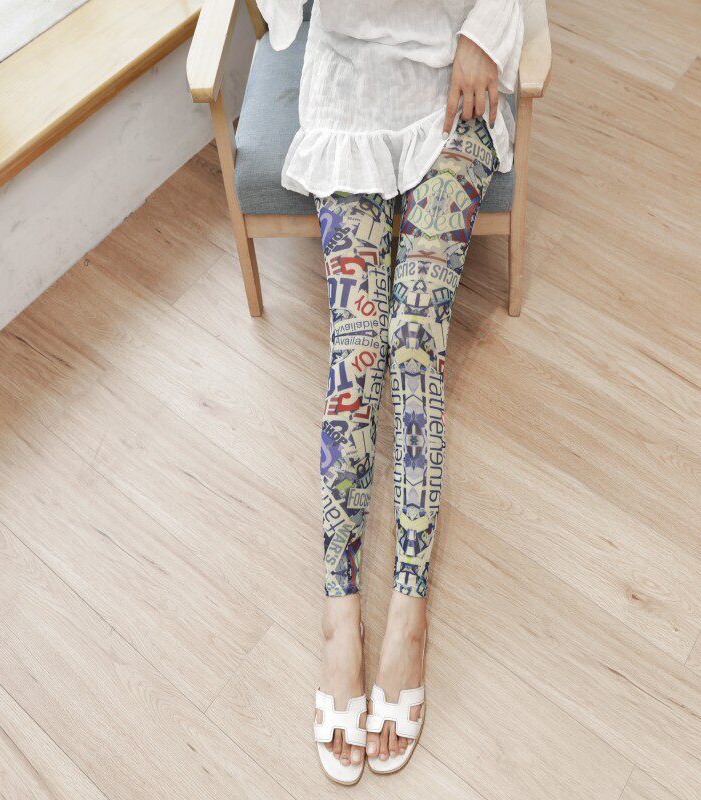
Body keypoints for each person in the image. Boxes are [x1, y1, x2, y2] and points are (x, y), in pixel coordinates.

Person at [256, 0, 524, 784]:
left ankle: (409, 615)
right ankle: (339, 617)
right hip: (348, 95)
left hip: (455, 87)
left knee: (414, 341)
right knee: (357, 349)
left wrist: (486, 34)